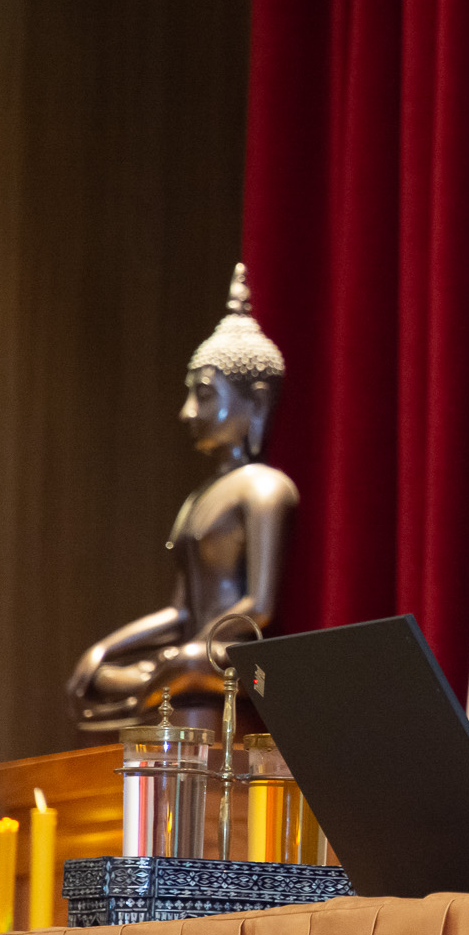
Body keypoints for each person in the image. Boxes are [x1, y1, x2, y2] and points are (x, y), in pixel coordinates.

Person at [68, 265, 298, 730]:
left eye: (205, 395)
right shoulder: (198, 499)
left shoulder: (265, 488)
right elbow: (180, 611)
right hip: (188, 652)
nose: (188, 412)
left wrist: (189, 651)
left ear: (256, 402)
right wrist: (104, 650)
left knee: (185, 666)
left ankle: (162, 682)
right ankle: (156, 682)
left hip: (229, 655)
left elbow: (259, 605)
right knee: (99, 675)